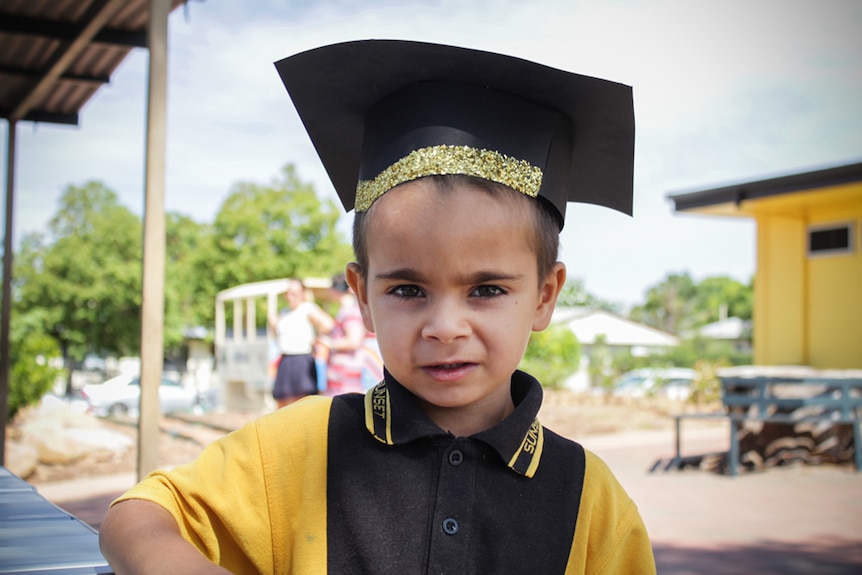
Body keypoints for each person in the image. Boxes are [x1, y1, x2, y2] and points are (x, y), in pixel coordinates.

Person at [99, 40, 656, 574]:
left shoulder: (593, 504)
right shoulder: (298, 450)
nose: (444, 328)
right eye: (408, 290)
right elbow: (137, 516)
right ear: (362, 296)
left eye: (486, 289)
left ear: (544, 295)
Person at [267, 279, 334, 408]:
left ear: (302, 293)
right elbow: (278, 339)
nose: (291, 297)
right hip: (286, 359)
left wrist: (317, 338)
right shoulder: (284, 313)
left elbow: (328, 324)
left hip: (302, 359)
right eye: (289, 293)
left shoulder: (308, 308)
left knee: (303, 401)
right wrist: (274, 325)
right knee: (282, 401)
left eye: (295, 293)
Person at [317, 274, 367, 395]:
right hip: (341, 376)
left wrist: (329, 343)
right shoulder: (347, 310)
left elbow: (354, 341)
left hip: (346, 377)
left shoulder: (349, 311)